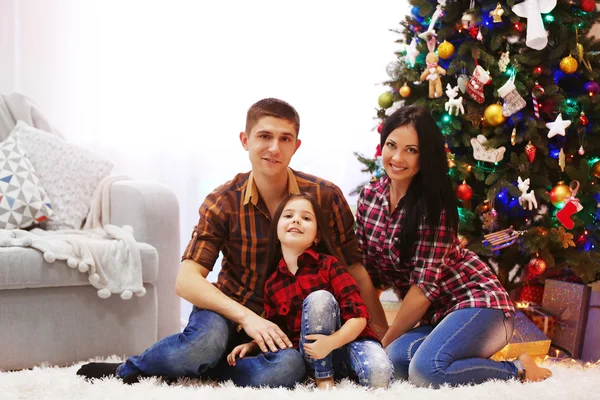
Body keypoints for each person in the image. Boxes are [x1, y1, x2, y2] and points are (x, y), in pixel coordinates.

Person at [77, 98, 387, 388]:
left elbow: (354, 268)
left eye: (285, 139)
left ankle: (218, 370)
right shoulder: (223, 201)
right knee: (202, 344)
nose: (274, 148)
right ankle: (131, 368)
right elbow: (186, 281)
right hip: (230, 309)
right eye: (264, 136)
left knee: (288, 368)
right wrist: (247, 318)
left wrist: (382, 337)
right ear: (245, 140)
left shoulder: (324, 196)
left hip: (286, 324)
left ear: (296, 145)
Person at [355, 105, 552, 388]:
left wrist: (384, 342)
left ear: (426, 156)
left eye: (411, 150)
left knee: (426, 372)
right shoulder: (369, 198)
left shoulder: (434, 206)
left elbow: (423, 291)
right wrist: (377, 339)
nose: (397, 158)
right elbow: (370, 277)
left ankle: (518, 369)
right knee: (396, 363)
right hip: (436, 317)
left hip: (482, 305)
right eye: (391, 145)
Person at [226, 193, 393, 389]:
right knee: (287, 358)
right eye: (288, 216)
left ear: (317, 236)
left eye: (306, 218)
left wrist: (332, 342)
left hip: (349, 343)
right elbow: (278, 331)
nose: (296, 219)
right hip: (310, 355)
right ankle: (324, 378)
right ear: (277, 231)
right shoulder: (273, 283)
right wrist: (253, 345)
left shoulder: (330, 265)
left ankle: (342, 372)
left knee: (380, 376)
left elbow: (359, 316)